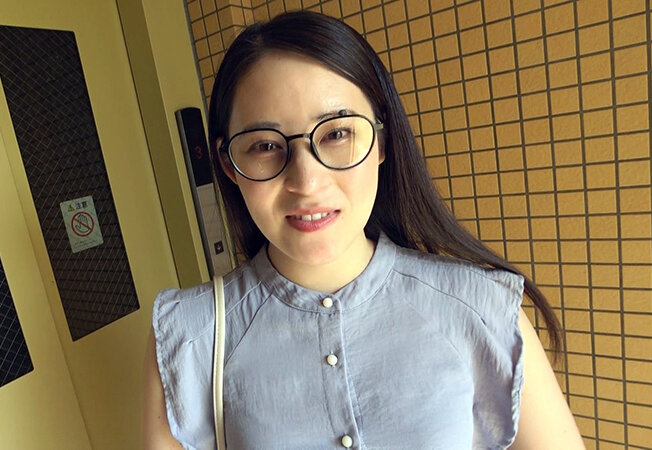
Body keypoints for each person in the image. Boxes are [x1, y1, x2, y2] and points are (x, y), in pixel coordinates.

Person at [144, 11, 583, 449]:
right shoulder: (188, 335)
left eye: (336, 134)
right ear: (229, 164)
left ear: (382, 141)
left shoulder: (481, 307)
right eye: (265, 145)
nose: (307, 181)